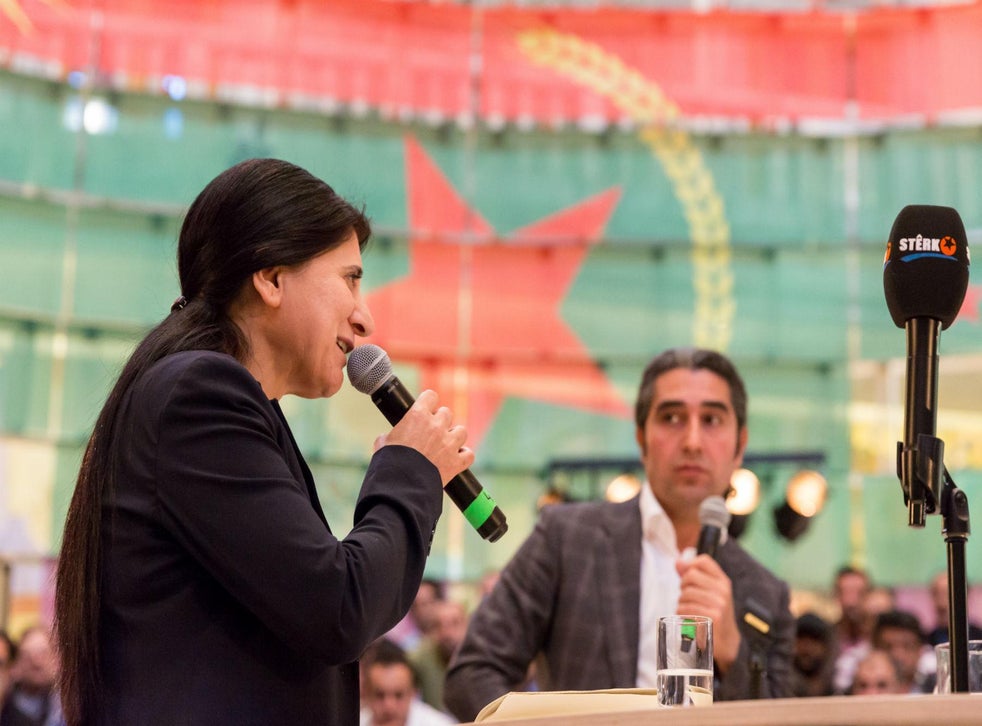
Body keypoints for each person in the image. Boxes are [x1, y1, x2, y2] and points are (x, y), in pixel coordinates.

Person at [53, 159, 475, 726]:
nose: (364, 315)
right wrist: (410, 469)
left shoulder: (225, 400)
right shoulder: (199, 397)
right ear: (271, 279)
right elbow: (338, 609)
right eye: (349, 278)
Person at [444, 347, 795, 721]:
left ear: (740, 445)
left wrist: (733, 652)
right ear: (641, 440)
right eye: (672, 417)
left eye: (711, 419)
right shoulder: (567, 538)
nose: (693, 441)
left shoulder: (766, 592)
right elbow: (473, 673)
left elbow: (787, 715)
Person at [360, 640, 455, 726]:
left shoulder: (440, 724)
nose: (389, 706)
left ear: (413, 693)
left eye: (399, 695)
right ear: (366, 693)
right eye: (379, 695)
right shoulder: (357, 722)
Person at [409, 600, 468, 712]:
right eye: (439, 625)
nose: (447, 633)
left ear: (466, 625)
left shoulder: (478, 657)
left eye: (455, 623)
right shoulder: (420, 657)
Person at [0, 626, 64, 726]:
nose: (36, 662)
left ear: (57, 659)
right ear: (15, 665)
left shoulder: (68, 709)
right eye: (27, 656)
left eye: (43, 654)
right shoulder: (5, 703)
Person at [870, 610, 935, 694]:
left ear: (920, 650)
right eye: (888, 647)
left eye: (907, 646)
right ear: (874, 648)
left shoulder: (936, 690)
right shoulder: (856, 693)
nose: (898, 655)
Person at [925, 571, 982, 647]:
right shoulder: (925, 641)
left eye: (948, 594)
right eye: (936, 593)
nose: (941, 603)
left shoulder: (978, 638)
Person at [790, 613, 835, 698]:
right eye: (801, 640)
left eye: (814, 641)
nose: (807, 648)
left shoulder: (835, 693)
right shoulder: (779, 690)